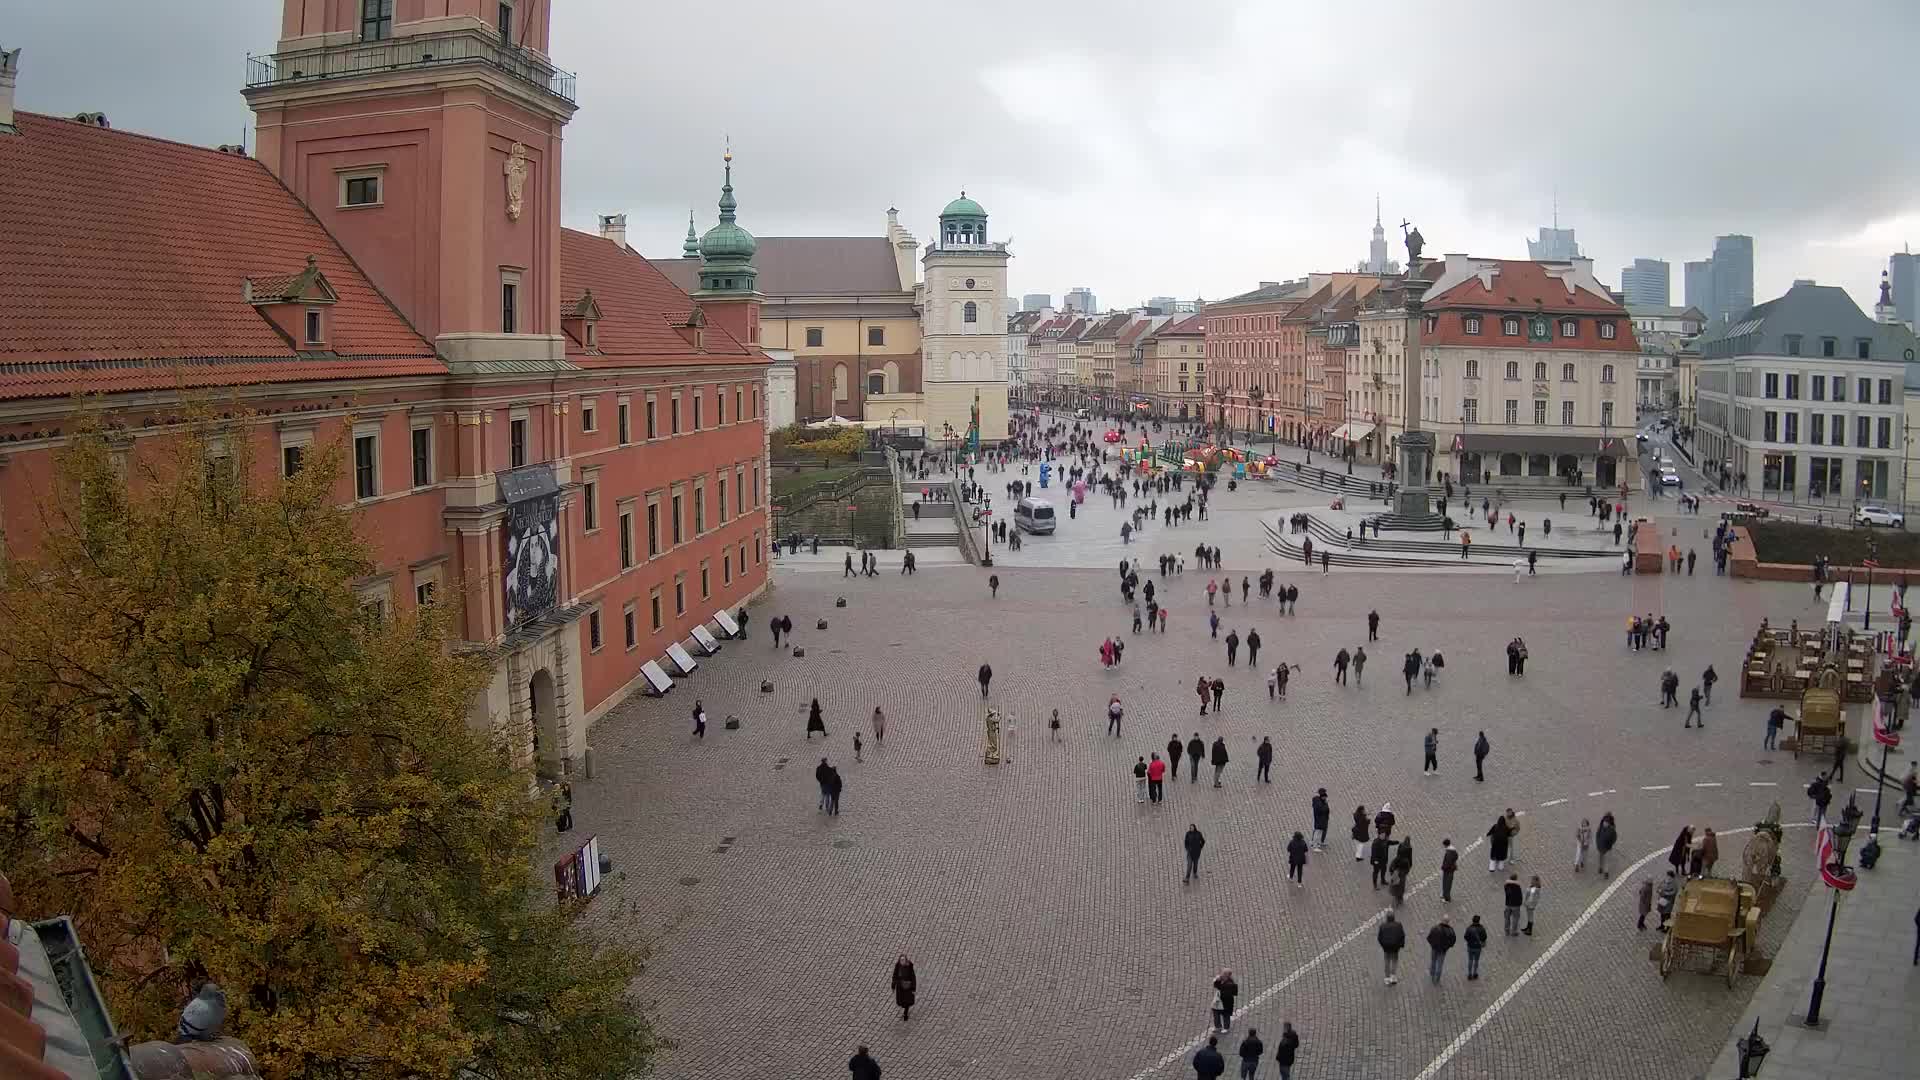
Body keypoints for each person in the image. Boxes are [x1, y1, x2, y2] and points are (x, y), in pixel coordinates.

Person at [1377, 911, 1406, 985]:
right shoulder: (1398, 925)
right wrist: (1401, 945)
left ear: (1387, 918)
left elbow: (1379, 938)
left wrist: (1383, 946)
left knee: (1387, 961)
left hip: (1386, 947)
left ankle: (1387, 978)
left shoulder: (1382, 926)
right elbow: (1402, 935)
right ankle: (1393, 976)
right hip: (1395, 947)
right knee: (1394, 961)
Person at [1427, 916, 1456, 984]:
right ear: (1448, 922)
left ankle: (1432, 973)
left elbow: (1429, 938)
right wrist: (1447, 947)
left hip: (1434, 949)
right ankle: (1437, 979)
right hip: (1443, 950)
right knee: (1440, 964)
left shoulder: (1435, 928)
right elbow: (1453, 941)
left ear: (1442, 920)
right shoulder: (1451, 931)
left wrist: (1433, 945)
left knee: (1433, 961)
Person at [891, 954, 917, 1020]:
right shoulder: (897, 966)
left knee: (907, 1001)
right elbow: (894, 976)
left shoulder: (909, 967)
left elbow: (913, 977)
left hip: (908, 987)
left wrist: (913, 988)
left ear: (905, 960)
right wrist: (893, 986)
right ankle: (905, 1010)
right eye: (901, 960)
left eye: (903, 960)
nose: (902, 961)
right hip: (900, 988)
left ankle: (906, 1013)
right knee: (902, 1002)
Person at [1463, 914, 1488, 980]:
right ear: (1479, 921)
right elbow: (1485, 937)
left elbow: (1465, 937)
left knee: (1470, 960)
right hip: (1478, 947)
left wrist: (1469, 941)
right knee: (1476, 960)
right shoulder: (1482, 928)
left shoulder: (1469, 928)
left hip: (1470, 946)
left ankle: (1469, 974)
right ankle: (1475, 973)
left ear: (1472, 920)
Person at [1595, 812, 1618, 877]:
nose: (1605, 824)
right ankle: (1600, 867)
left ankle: (1606, 872)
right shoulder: (1600, 827)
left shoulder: (1612, 830)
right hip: (1600, 847)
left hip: (1607, 848)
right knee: (1600, 858)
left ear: (1609, 823)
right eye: (1604, 822)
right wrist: (1598, 843)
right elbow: (1597, 835)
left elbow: (1614, 838)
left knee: (1607, 860)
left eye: (1606, 823)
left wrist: (1610, 844)